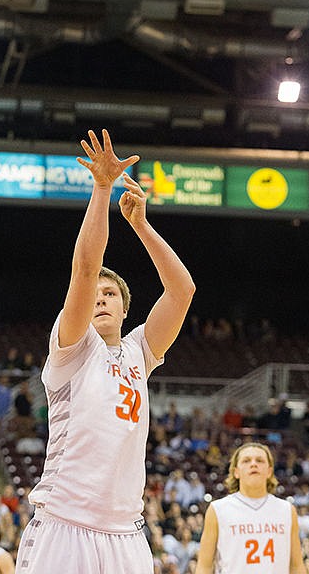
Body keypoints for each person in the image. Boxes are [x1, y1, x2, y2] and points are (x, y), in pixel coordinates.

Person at [14, 129, 195, 574]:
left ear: (125, 307)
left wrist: (142, 226)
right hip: (64, 523)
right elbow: (85, 267)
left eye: (110, 294)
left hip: (125, 532)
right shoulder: (74, 346)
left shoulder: (139, 351)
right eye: (94, 293)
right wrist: (102, 188)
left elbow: (182, 290)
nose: (99, 297)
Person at [195, 442, 307, 574]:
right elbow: (205, 566)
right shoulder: (218, 509)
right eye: (246, 461)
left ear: (269, 471)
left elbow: (296, 566)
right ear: (236, 472)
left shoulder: (286, 509)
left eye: (259, 460)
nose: (253, 464)